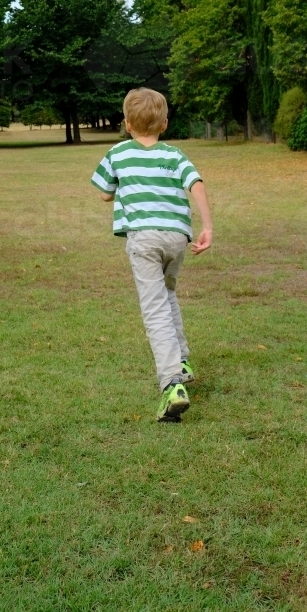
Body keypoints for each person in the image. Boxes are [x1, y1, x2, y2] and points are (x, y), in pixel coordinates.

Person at [91, 87, 213, 422]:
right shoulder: (174, 155)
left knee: (154, 308)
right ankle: (183, 361)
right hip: (177, 238)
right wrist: (207, 227)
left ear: (127, 123)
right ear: (165, 123)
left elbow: (104, 193)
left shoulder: (118, 153)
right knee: (168, 294)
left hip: (144, 239)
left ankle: (172, 383)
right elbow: (197, 184)